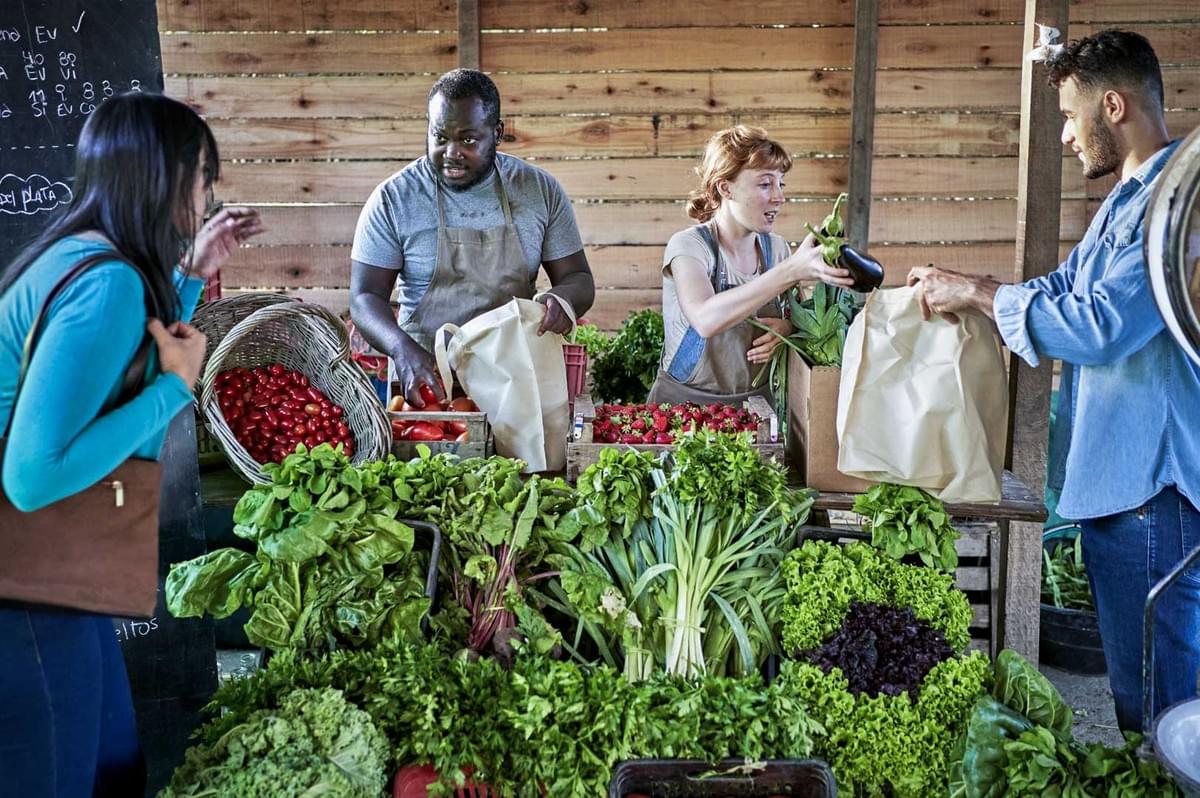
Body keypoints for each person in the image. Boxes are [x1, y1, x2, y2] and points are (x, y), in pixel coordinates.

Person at [907, 29, 1200, 733]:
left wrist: (978, 293)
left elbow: (1101, 326)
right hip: (1118, 489)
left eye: (1070, 116)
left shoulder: (1178, 203)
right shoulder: (1123, 206)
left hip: (1153, 493)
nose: (1068, 136)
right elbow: (1061, 290)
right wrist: (972, 291)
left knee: (1168, 709)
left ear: (1112, 104)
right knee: (1138, 700)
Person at [0, 92, 263, 795]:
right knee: (58, 774)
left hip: (48, 573)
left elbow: (125, 356)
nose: (208, 197)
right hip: (20, 588)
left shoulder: (90, 256)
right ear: (167, 180)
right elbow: (32, 475)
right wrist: (177, 389)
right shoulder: (107, 283)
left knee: (114, 760)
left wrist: (190, 275)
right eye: (203, 178)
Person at [350, 69, 595, 407]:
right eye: (439, 137)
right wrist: (400, 348)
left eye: (467, 139)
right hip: (426, 384)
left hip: (515, 380)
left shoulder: (539, 191)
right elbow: (364, 296)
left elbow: (578, 278)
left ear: (496, 133)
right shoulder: (394, 198)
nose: (451, 152)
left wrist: (563, 300)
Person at [646, 125, 854, 405]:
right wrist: (792, 270)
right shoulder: (689, 247)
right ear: (725, 187)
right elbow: (706, 319)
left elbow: (798, 318)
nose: (779, 196)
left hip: (757, 411)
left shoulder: (777, 249)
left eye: (781, 184)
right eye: (765, 184)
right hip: (681, 409)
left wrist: (787, 329)